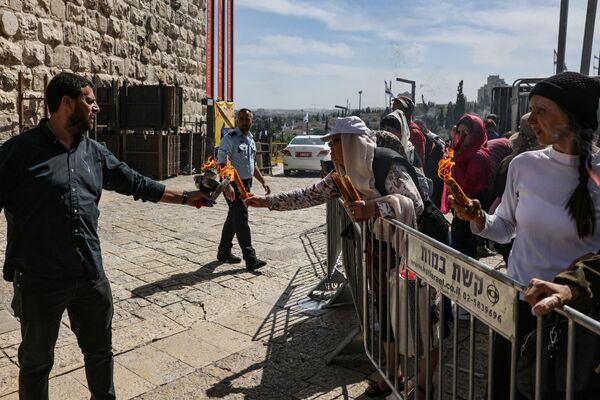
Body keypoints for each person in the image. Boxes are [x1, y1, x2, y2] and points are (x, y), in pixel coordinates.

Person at [0, 72, 212, 400]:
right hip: (40, 282)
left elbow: (136, 183)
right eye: (90, 100)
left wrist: (186, 197)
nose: (97, 107)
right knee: (36, 363)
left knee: (99, 353)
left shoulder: (94, 153)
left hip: (89, 277)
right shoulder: (17, 152)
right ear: (66, 103)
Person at [246, 117, 440, 399]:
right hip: (385, 246)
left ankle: (423, 385)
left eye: (335, 142)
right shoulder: (345, 172)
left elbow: (415, 203)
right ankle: (392, 373)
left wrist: (373, 209)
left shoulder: (385, 163)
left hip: (420, 244)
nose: (330, 149)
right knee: (385, 309)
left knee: (421, 315)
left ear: (352, 142)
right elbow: (308, 195)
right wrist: (267, 202)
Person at [451, 71, 600, 400]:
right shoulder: (522, 166)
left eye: (542, 110)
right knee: (506, 389)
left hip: (577, 317)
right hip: (518, 305)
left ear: (574, 116)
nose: (530, 119)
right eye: (530, 109)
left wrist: (571, 288)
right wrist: (479, 218)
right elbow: (505, 228)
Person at [216, 108, 270, 270]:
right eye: (241, 119)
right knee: (241, 219)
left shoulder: (250, 140)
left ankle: (223, 252)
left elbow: (252, 166)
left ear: (252, 121)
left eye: (247, 119)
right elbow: (221, 164)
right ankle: (250, 258)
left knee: (234, 217)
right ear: (237, 121)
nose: (244, 122)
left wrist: (263, 181)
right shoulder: (230, 139)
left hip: (246, 184)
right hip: (232, 184)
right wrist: (227, 186)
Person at [442, 114, 491, 260]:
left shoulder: (478, 156)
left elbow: (470, 187)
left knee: (467, 251)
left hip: (471, 207)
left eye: (466, 133)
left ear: (475, 134)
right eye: (459, 132)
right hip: (461, 207)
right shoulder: (462, 153)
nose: (461, 136)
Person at [391, 96, 426, 165]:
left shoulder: (415, 133)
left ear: (409, 111)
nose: (396, 113)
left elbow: (420, 163)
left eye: (400, 110)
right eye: (394, 110)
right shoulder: (393, 130)